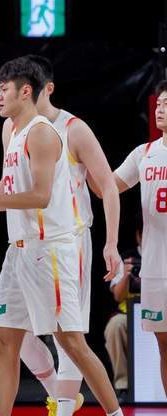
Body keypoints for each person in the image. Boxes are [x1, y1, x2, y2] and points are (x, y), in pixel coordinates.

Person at [0, 56, 127, 416]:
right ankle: (20, 413)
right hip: (19, 246)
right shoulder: (11, 129)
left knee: (70, 342)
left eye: (4, 89)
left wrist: (111, 242)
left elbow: (74, 191)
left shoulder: (58, 130)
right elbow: (11, 184)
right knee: (6, 339)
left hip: (59, 243)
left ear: (30, 90)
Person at [113, 79, 167, 398]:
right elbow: (108, 186)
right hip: (156, 268)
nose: (160, 108)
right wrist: (77, 164)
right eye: (158, 103)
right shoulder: (144, 153)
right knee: (164, 346)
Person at [105, 214, 142, 399]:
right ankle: (123, 385)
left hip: (160, 313)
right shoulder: (126, 258)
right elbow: (118, 296)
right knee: (115, 326)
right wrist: (127, 275)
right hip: (130, 316)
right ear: (138, 235)